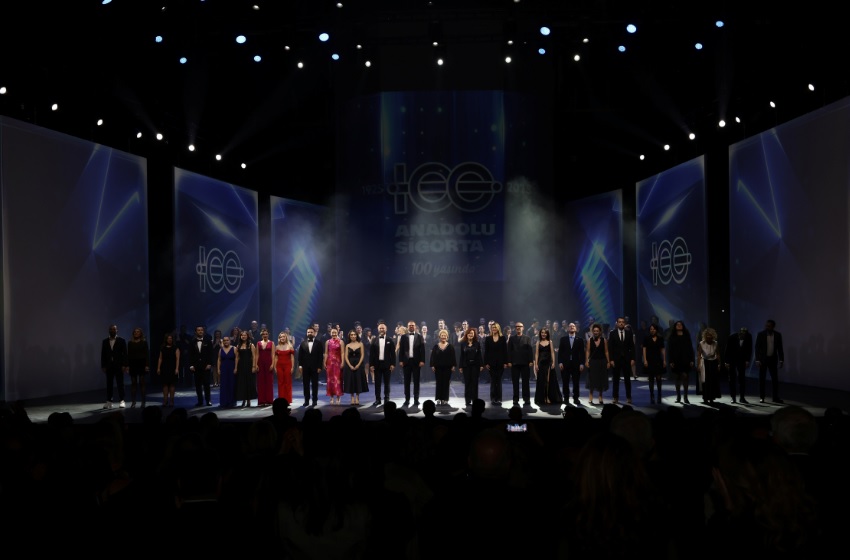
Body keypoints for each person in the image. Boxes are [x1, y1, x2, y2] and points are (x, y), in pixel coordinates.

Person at [755, 319, 785, 403]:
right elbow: (757, 348)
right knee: (762, 379)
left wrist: (781, 359)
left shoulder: (777, 335)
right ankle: (762, 397)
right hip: (763, 360)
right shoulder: (761, 334)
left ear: (773, 327)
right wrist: (757, 359)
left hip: (773, 359)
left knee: (775, 379)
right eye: (766, 326)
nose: (767, 327)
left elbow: (780, 348)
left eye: (769, 326)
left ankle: (775, 397)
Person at [608, 316, 635, 404]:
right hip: (616, 359)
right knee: (615, 380)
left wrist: (633, 358)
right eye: (619, 322)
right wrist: (611, 359)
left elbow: (632, 347)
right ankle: (615, 397)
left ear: (625, 323)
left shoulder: (629, 333)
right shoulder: (612, 333)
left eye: (623, 322)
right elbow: (610, 348)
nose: (621, 323)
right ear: (617, 323)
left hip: (626, 359)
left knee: (627, 379)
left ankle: (629, 397)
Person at [398, 320, 426, 407]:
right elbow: (401, 350)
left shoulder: (419, 336)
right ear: (407, 327)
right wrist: (400, 360)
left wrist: (422, 360)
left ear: (415, 326)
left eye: (412, 325)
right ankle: (407, 400)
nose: (411, 327)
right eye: (410, 325)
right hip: (406, 362)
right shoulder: (403, 337)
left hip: (416, 362)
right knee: (406, 382)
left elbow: (422, 350)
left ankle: (416, 399)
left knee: (416, 381)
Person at [100, 324, 128, 409]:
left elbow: (125, 354)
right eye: (111, 329)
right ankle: (109, 401)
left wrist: (124, 365)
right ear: (109, 331)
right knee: (109, 384)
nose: (112, 330)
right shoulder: (105, 341)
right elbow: (103, 354)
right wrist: (103, 365)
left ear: (117, 330)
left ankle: (122, 400)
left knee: (120, 384)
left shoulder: (121, 340)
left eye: (114, 329)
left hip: (119, 365)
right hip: (109, 366)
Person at [667, 320, 695, 404]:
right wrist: (671, 360)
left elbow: (690, 348)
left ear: (683, 326)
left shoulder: (686, 335)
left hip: (686, 359)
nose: (679, 326)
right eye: (677, 325)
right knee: (677, 377)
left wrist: (692, 359)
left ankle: (685, 397)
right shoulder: (672, 336)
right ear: (675, 326)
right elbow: (670, 349)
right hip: (676, 359)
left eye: (680, 324)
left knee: (685, 376)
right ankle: (678, 396)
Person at [187, 325, 215, 407]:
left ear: (203, 331)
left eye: (201, 330)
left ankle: (208, 400)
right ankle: (200, 401)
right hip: (196, 367)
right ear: (195, 332)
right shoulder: (192, 341)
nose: (200, 331)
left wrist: (209, 364)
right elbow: (190, 354)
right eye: (198, 330)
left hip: (206, 366)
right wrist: (191, 365)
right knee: (198, 385)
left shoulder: (208, 341)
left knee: (207, 384)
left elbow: (211, 354)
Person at [558, 322, 585, 406]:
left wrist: (582, 363)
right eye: (570, 326)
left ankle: (576, 398)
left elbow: (582, 353)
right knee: (565, 381)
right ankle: (566, 398)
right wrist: (560, 362)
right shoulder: (563, 339)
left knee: (576, 382)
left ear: (576, 328)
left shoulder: (580, 340)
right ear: (567, 329)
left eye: (573, 326)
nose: (572, 327)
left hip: (576, 364)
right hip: (565, 363)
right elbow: (560, 352)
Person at [507, 321, 534, 406]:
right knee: (515, 382)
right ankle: (515, 399)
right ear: (515, 328)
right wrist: (509, 361)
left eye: (520, 326)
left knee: (525, 382)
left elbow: (530, 350)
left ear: (523, 328)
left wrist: (531, 361)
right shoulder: (512, 338)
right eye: (516, 326)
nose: (518, 328)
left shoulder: (527, 338)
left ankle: (526, 399)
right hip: (514, 363)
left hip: (525, 363)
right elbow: (509, 350)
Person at [533, 327, 562, 406]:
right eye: (542, 332)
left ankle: (548, 397)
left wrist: (553, 362)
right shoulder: (538, 342)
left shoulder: (550, 342)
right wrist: (536, 364)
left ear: (547, 334)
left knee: (548, 381)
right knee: (542, 381)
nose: (543, 334)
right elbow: (536, 354)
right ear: (540, 333)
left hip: (548, 363)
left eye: (545, 333)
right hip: (541, 363)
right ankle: (543, 398)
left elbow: (552, 352)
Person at [369, 321, 396, 406]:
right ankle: (378, 399)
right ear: (378, 329)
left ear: (386, 329)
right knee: (377, 383)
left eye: (383, 328)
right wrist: (371, 365)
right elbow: (371, 354)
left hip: (387, 364)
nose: (381, 329)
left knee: (387, 383)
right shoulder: (374, 340)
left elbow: (393, 354)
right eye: (380, 328)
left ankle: (387, 398)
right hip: (377, 365)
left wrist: (393, 364)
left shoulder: (390, 340)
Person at [724, 327, 753, 404]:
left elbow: (749, 349)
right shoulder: (732, 337)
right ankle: (733, 397)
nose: (743, 335)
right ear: (739, 333)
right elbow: (727, 349)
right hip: (732, 359)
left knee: (742, 379)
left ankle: (742, 398)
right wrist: (726, 361)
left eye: (744, 334)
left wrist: (747, 360)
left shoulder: (748, 337)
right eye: (741, 334)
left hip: (742, 360)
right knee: (732, 379)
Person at [297, 325, 324, 407]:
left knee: (315, 384)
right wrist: (300, 366)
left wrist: (320, 366)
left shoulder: (319, 343)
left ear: (314, 333)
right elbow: (300, 356)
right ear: (306, 333)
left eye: (311, 332)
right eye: (308, 332)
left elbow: (320, 356)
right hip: (305, 367)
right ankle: (306, 400)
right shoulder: (302, 343)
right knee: (306, 384)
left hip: (315, 367)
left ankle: (314, 400)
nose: (310, 333)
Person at [584, 323, 610, 405]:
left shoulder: (604, 340)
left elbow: (606, 351)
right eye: (594, 331)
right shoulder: (590, 340)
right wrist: (586, 361)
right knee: (592, 379)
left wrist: (608, 361)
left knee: (601, 380)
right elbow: (588, 351)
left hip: (602, 362)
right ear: (592, 331)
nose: (595, 332)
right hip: (593, 362)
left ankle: (600, 396)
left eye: (597, 331)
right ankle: (590, 395)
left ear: (600, 332)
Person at [484, 322, 508, 405]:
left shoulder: (502, 338)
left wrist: (505, 362)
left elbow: (505, 351)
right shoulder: (488, 339)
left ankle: (499, 398)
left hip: (501, 363)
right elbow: (486, 352)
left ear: (498, 329)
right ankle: (493, 398)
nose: (494, 329)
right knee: (493, 380)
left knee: (499, 380)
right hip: (491, 363)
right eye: (492, 327)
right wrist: (486, 363)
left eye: (495, 327)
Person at [430, 328, 456, 405]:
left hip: (448, 368)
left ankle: (445, 399)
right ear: (439, 336)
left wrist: (453, 366)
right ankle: (438, 398)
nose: (443, 337)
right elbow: (432, 357)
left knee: (446, 383)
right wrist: (432, 365)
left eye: (445, 335)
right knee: (439, 383)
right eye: (442, 335)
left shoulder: (450, 346)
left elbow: (453, 357)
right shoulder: (436, 346)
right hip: (438, 368)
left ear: (447, 337)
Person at [641, 323, 666, 404]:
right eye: (651, 329)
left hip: (658, 360)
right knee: (651, 378)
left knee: (659, 379)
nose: (652, 330)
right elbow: (644, 349)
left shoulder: (660, 338)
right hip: (650, 360)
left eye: (654, 329)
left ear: (656, 330)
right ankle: (652, 396)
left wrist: (664, 360)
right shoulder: (646, 338)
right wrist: (645, 360)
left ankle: (659, 395)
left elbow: (662, 349)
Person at [459, 327, 484, 407]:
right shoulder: (463, 344)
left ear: (474, 335)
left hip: (475, 366)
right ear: (466, 334)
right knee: (467, 383)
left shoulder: (477, 343)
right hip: (466, 366)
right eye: (469, 333)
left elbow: (479, 355)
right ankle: (468, 400)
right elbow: (461, 356)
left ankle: (475, 399)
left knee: (475, 383)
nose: (470, 335)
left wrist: (481, 365)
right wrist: (460, 366)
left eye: (472, 333)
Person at [696, 326, 721, 404]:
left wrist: (719, 364)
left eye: (710, 335)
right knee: (705, 380)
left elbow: (718, 354)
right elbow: (699, 355)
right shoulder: (702, 343)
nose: (709, 337)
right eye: (707, 335)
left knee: (712, 380)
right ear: (705, 336)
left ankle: (711, 397)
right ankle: (705, 397)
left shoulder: (715, 343)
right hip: (705, 363)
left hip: (713, 363)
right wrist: (698, 365)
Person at [342, 329, 367, 405]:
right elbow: (346, 357)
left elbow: (362, 355)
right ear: (349, 336)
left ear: (356, 335)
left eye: (354, 334)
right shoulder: (347, 345)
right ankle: (352, 398)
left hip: (359, 364)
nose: (353, 336)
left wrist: (358, 365)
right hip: (349, 365)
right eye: (351, 335)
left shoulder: (360, 344)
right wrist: (350, 365)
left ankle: (357, 397)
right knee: (351, 381)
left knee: (358, 381)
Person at [126, 327, 150, 407]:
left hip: (142, 364)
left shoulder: (144, 342)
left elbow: (147, 354)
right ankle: (133, 402)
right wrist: (127, 366)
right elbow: (128, 355)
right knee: (133, 383)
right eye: (135, 332)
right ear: (133, 333)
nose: (136, 333)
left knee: (142, 383)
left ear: (140, 333)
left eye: (138, 331)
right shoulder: (130, 343)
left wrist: (147, 365)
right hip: (133, 364)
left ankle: (143, 402)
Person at [235, 330, 258, 407]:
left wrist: (254, 366)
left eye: (245, 335)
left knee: (249, 382)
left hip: (249, 365)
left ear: (247, 336)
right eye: (242, 335)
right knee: (242, 383)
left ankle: (248, 400)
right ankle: (243, 400)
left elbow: (254, 356)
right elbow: (237, 357)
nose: (243, 336)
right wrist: (236, 368)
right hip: (241, 366)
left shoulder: (251, 345)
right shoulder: (238, 346)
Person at [156, 333, 180, 407]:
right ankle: (165, 400)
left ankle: (171, 400)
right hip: (164, 367)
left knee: (172, 384)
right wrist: (158, 368)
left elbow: (177, 359)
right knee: (165, 384)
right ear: (166, 339)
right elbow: (160, 358)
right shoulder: (162, 348)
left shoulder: (176, 348)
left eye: (171, 338)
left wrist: (177, 368)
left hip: (172, 367)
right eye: (168, 338)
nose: (170, 340)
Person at [271, 331, 295, 403]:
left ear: (286, 337)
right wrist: (275, 367)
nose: (282, 338)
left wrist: (292, 367)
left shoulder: (290, 346)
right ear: (279, 338)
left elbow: (292, 358)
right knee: (280, 382)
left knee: (288, 382)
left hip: (288, 365)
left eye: (283, 336)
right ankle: (281, 399)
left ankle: (288, 400)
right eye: (281, 337)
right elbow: (276, 358)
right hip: (279, 366)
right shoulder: (277, 347)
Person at [255, 328, 275, 407]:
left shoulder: (272, 343)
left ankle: (269, 400)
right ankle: (262, 400)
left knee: (269, 382)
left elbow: (273, 354)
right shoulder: (258, 343)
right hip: (260, 363)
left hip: (268, 363)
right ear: (261, 335)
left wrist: (272, 364)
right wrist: (256, 364)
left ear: (268, 335)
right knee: (260, 382)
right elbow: (257, 354)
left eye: (266, 334)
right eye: (263, 334)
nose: (265, 335)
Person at [324, 327, 343, 405]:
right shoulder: (327, 342)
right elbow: (326, 353)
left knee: (338, 379)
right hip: (330, 362)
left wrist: (343, 362)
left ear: (337, 332)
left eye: (335, 332)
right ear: (330, 333)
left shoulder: (341, 341)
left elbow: (343, 353)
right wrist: (324, 362)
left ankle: (338, 397)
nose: (334, 334)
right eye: (332, 332)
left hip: (338, 362)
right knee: (330, 380)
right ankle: (331, 397)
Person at [217, 334, 236, 408]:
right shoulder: (221, 350)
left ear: (230, 341)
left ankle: (231, 402)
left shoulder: (234, 348)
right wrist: (218, 369)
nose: (226, 341)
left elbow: (237, 358)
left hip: (231, 368)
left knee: (231, 385)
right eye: (224, 340)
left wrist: (236, 368)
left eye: (227, 340)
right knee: (224, 385)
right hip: (224, 368)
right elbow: (219, 360)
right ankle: (224, 402)